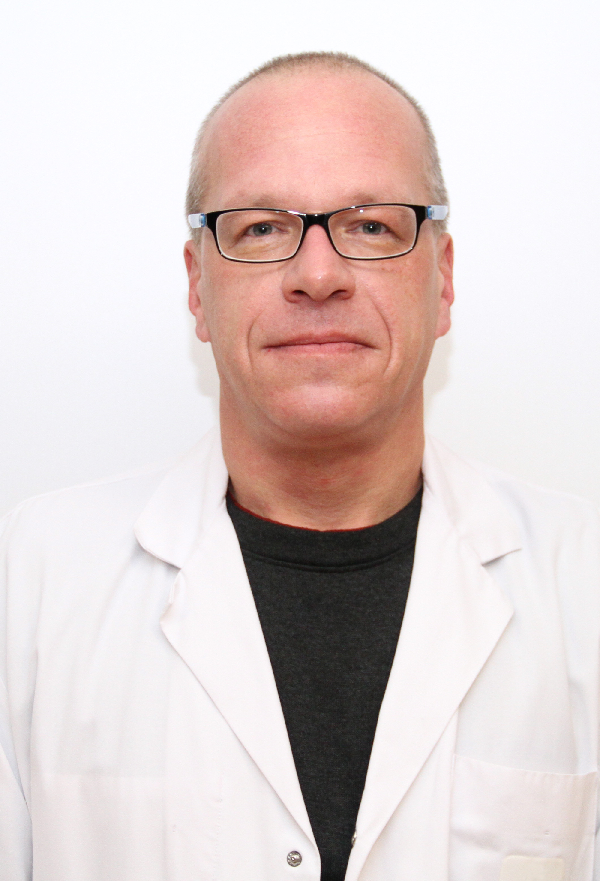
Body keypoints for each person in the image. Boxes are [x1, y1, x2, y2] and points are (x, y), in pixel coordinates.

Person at [1, 51, 599, 881]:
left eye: (371, 225)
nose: (318, 276)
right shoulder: (32, 581)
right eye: (261, 228)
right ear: (197, 287)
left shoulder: (583, 582)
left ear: (444, 278)